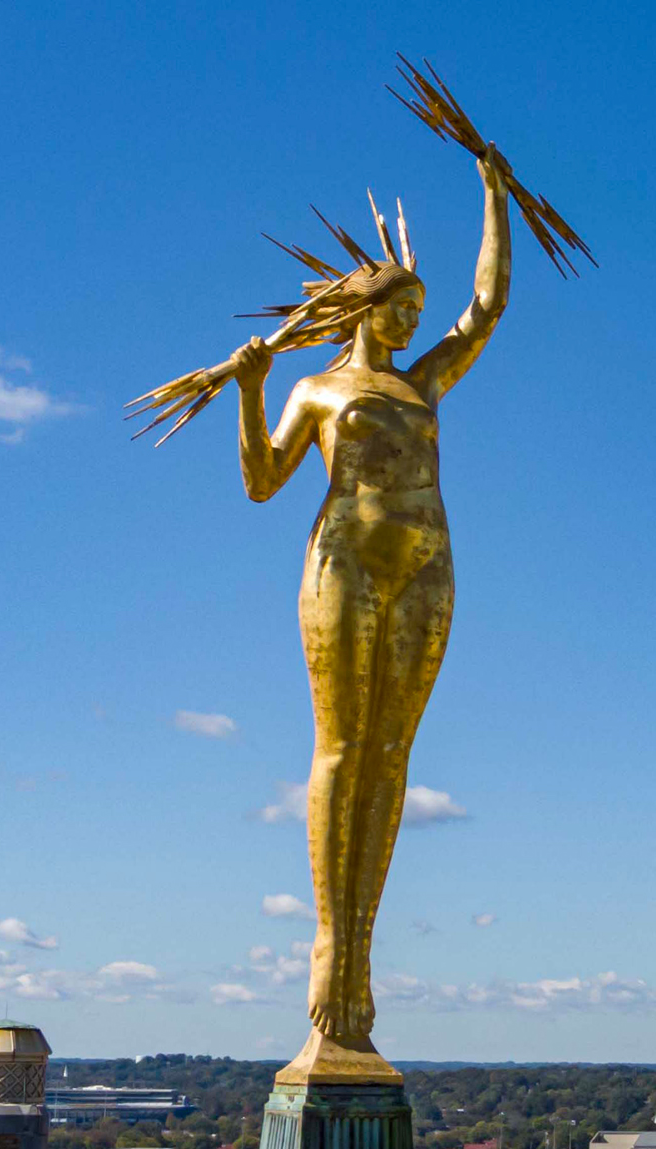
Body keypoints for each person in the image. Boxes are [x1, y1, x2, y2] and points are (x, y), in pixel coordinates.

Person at [223, 148, 513, 1073]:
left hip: (428, 567)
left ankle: (364, 943)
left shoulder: (421, 384)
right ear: (364, 307)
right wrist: (252, 385)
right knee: (344, 748)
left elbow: (489, 309)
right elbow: (264, 482)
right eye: (399, 307)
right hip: (342, 561)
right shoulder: (319, 390)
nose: (411, 322)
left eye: (418, 314)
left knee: (395, 755)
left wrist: (493, 189)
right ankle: (331, 944)